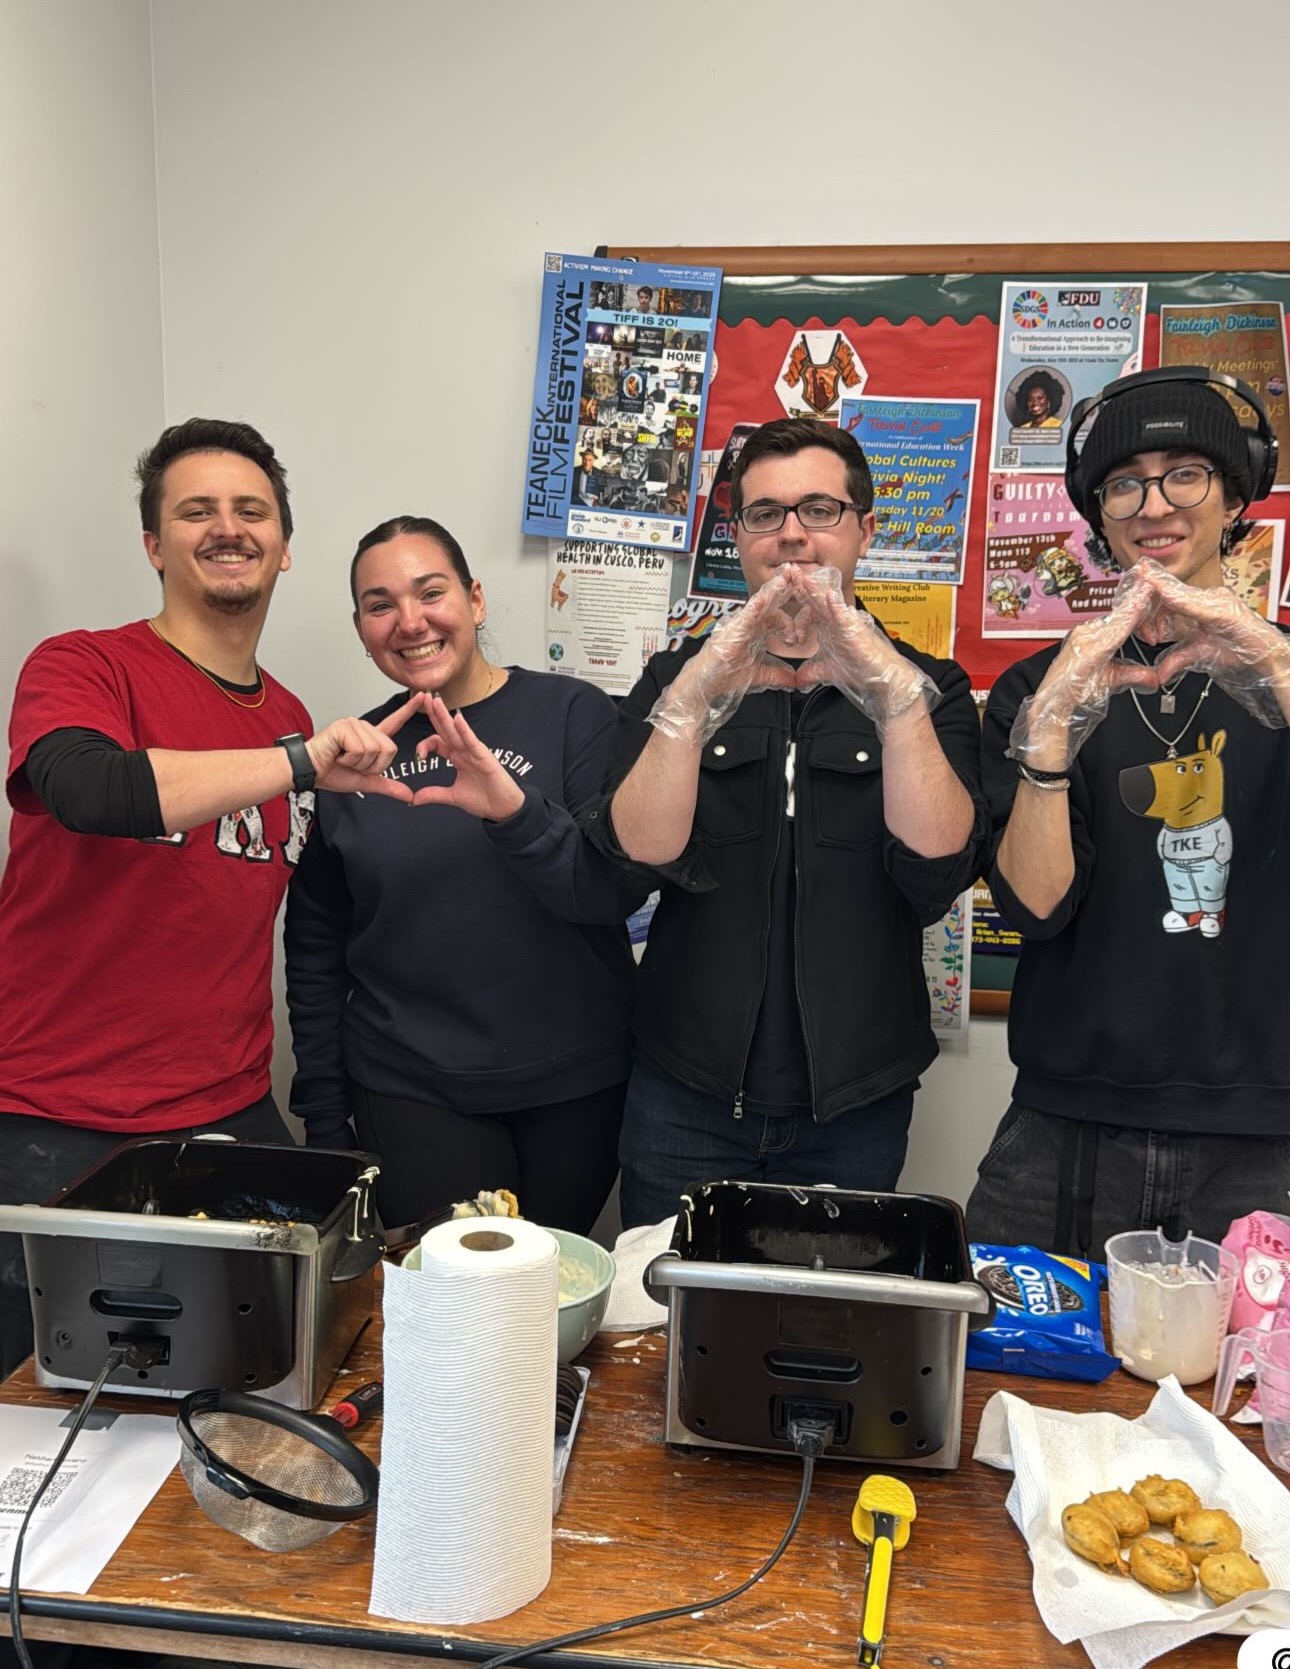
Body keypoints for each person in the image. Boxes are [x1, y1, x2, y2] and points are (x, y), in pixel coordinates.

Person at [0, 418, 413, 1380]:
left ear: (284, 544)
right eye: (197, 511)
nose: (228, 527)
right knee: (41, 1404)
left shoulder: (287, 718)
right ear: (154, 544)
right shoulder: (84, 664)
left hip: (227, 1110)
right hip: (56, 1118)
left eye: (251, 510)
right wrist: (300, 761)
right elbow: (87, 787)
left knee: (242, 1387)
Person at [581, 418, 987, 1228]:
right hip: (683, 1091)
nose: (792, 534)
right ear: (738, 538)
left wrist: (890, 694)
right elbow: (638, 851)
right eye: (765, 514)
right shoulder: (674, 678)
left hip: (855, 1101)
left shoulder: (930, 685)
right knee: (663, 1301)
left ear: (865, 529)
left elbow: (940, 861)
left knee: (829, 1305)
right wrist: (698, 694)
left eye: (819, 509)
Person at [967, 366, 1290, 1257]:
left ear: (1234, 498)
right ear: (1100, 517)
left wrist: (1272, 664)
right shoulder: (1038, 688)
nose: (1155, 505)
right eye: (1124, 484)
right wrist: (1051, 730)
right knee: (1001, 1343)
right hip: (1065, 1120)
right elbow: (1035, 907)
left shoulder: (1283, 675)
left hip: (1264, 1131)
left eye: (1184, 473)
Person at [285, 516, 642, 1235]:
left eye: (430, 592)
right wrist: (323, 1112)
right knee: (452, 1291)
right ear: (361, 629)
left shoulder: (576, 714)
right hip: (411, 1087)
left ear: (475, 600)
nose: (410, 621)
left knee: (550, 1282)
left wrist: (513, 812)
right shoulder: (350, 758)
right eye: (381, 604)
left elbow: (609, 890)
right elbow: (316, 947)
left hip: (576, 1085)